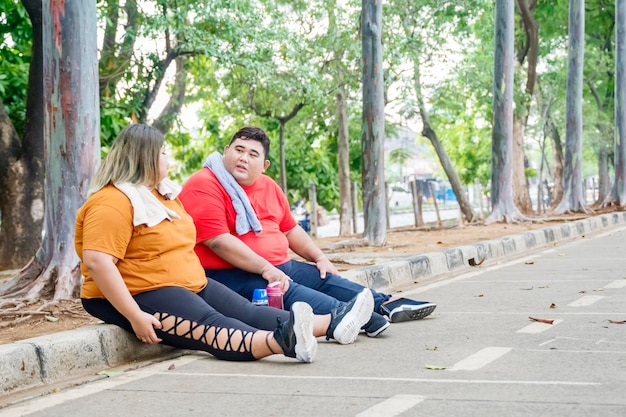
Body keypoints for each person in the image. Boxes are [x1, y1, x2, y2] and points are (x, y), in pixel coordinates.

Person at [75, 124, 374, 364]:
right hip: (142, 291)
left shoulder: (160, 196)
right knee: (213, 323)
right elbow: (98, 262)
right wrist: (134, 315)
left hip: (188, 282)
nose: (167, 158)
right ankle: (282, 343)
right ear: (144, 157)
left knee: (246, 311)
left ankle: (332, 322)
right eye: (163, 152)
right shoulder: (111, 202)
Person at [179, 126, 436, 338]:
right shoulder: (204, 183)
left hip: (278, 265)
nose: (243, 158)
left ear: (264, 164)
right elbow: (219, 242)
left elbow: (290, 229)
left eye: (252, 154)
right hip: (231, 273)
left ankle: (385, 303)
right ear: (226, 151)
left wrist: (320, 257)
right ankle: (354, 317)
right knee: (294, 291)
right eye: (238, 150)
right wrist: (267, 269)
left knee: (326, 278)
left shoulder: (268, 185)